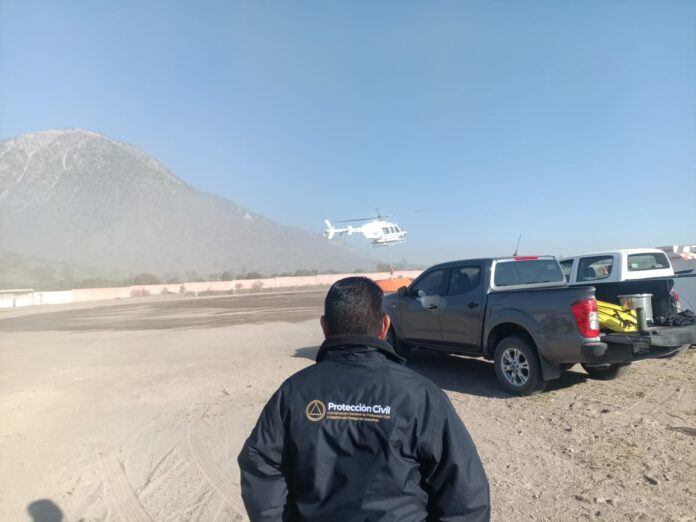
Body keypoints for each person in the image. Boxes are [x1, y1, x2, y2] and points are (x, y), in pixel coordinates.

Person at [238, 276, 490, 521]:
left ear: (325, 327)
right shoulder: (422, 396)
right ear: (385, 326)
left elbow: (261, 467)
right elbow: (466, 497)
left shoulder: (294, 392)